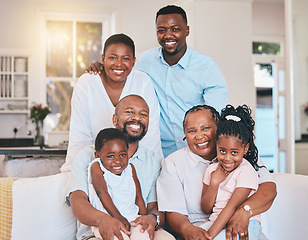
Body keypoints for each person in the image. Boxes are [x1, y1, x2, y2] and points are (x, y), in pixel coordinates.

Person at [85, 5, 228, 158]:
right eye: (161, 30)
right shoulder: (145, 61)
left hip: (197, 151)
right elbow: (124, 72)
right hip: (160, 154)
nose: (168, 35)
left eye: (175, 29)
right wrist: (104, 68)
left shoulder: (207, 68)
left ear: (187, 31)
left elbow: (217, 118)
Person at [156, 105, 277, 240]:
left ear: (218, 128)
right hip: (200, 229)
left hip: (241, 225)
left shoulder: (242, 155)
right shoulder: (173, 163)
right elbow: (174, 213)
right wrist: (188, 230)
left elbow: (269, 189)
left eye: (206, 128)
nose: (199, 136)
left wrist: (244, 211)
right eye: (191, 131)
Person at [69, 94, 174, 240]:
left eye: (143, 114)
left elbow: (154, 207)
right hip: (96, 233)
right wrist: (104, 220)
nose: (137, 118)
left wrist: (152, 219)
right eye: (130, 112)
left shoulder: (153, 161)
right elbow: (78, 202)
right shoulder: (87, 156)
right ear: (115, 119)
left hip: (136, 225)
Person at [61, 33, 162, 172]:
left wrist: (156, 170)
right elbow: (80, 135)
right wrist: (74, 173)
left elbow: (151, 135)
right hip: (95, 165)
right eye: (112, 57)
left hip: (135, 166)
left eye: (125, 58)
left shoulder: (143, 82)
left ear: (133, 61)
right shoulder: (87, 82)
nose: (119, 64)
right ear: (103, 58)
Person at [200, 105, 262, 240]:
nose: (227, 158)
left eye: (234, 152)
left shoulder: (246, 171)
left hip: (244, 224)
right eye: (222, 151)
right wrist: (214, 184)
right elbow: (205, 208)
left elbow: (231, 207)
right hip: (216, 221)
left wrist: (209, 236)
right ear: (216, 145)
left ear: (245, 149)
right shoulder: (212, 170)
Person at [88, 128, 149, 240]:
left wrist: (144, 218)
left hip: (132, 218)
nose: (118, 161)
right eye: (111, 156)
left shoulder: (130, 168)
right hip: (108, 221)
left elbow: (138, 195)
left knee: (143, 236)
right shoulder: (97, 167)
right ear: (97, 155)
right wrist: (118, 217)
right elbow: (102, 192)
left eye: (122, 155)